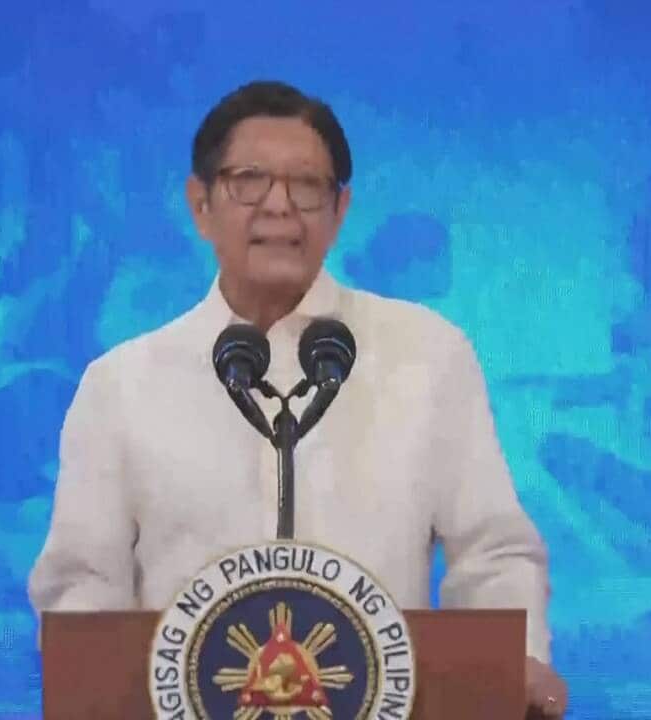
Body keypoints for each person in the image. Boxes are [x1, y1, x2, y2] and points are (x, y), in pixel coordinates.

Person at [28, 79, 568, 718]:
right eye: (249, 181)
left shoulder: (427, 356)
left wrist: (517, 663)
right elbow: (82, 584)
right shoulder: (120, 384)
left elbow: (492, 552)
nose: (279, 206)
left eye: (307, 185)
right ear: (200, 204)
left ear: (340, 210)